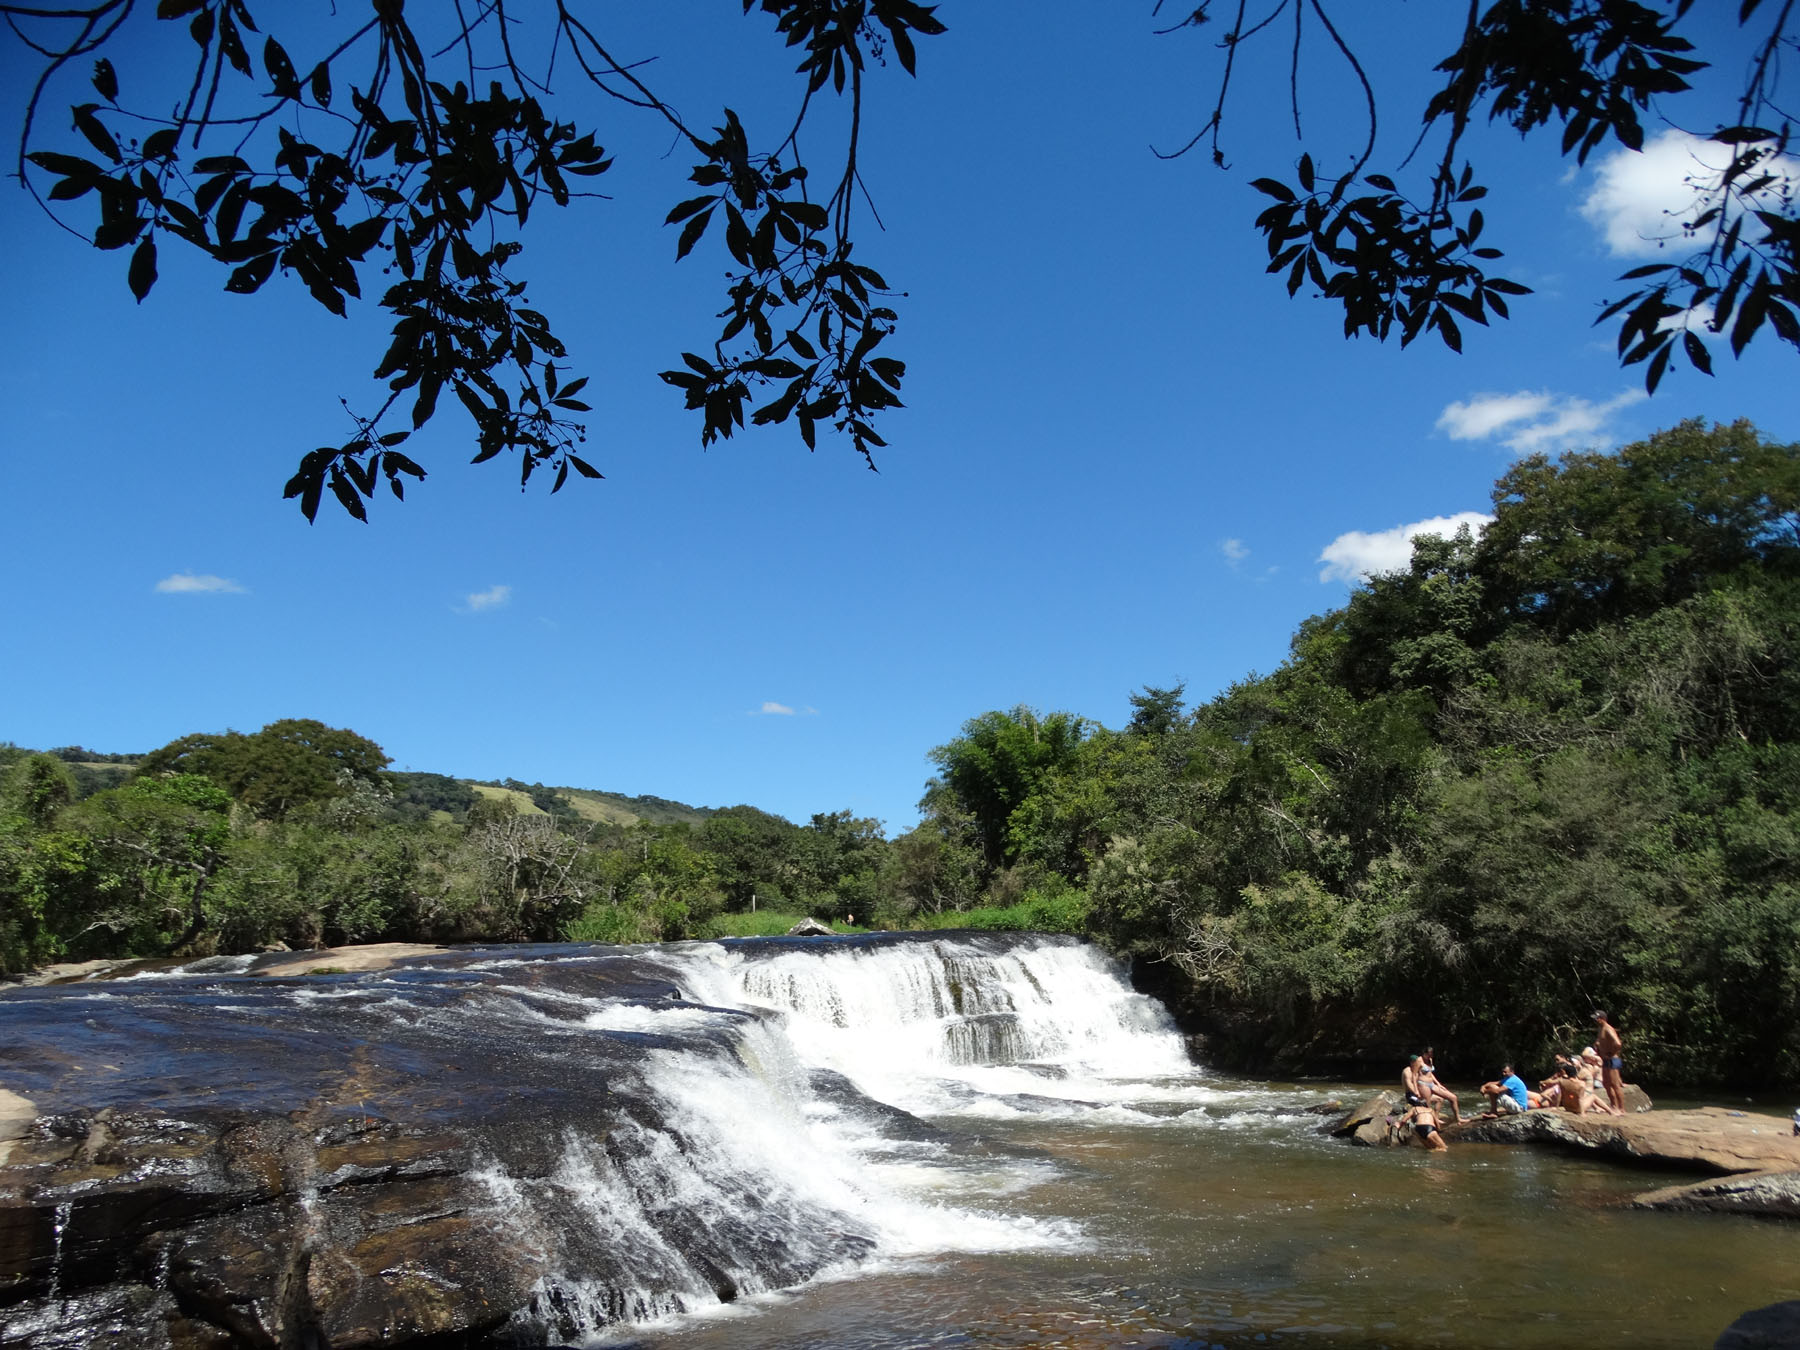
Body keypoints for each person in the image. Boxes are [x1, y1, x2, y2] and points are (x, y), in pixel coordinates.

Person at [1417, 1047, 1463, 1122]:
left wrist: (1438, 1084)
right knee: (1428, 1106)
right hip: (1423, 1084)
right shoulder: (1418, 1060)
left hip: (1431, 1084)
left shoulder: (1430, 1060)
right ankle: (1434, 1121)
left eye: (1431, 1055)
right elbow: (1413, 1075)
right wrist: (1416, 1090)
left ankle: (1458, 1118)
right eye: (1428, 1055)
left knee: (1453, 1097)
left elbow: (1430, 1073)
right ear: (1424, 1053)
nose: (1430, 1056)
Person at [1592, 1011, 1626, 1114]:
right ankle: (1613, 1105)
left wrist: (1611, 1053)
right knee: (1606, 1084)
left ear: (1602, 1018)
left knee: (1615, 1085)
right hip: (1605, 1060)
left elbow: (1618, 1043)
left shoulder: (1608, 1028)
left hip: (1612, 1059)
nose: (1595, 1020)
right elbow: (1600, 1040)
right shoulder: (1600, 1029)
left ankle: (1622, 1108)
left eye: (1596, 1018)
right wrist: (1597, 1045)